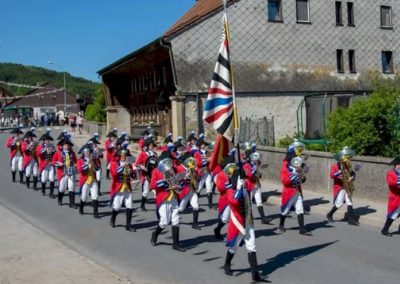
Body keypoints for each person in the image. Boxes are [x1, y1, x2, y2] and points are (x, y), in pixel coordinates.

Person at [223, 163, 266, 282]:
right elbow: (235, 202)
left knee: (252, 247)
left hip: (248, 220)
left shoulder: (246, 186)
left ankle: (255, 274)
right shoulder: (230, 190)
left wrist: (250, 172)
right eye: (238, 178)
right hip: (238, 222)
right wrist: (238, 188)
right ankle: (227, 263)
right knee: (234, 247)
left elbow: (252, 181)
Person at [150, 153, 185, 252]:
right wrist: (163, 181)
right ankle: (155, 234)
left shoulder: (173, 170)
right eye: (167, 161)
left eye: (170, 161)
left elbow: (180, 184)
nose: (170, 163)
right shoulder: (156, 171)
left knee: (176, 220)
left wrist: (177, 186)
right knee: (164, 221)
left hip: (174, 197)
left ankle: (176, 244)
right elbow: (152, 185)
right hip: (163, 199)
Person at [326, 146, 359, 226]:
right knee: (339, 203)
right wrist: (339, 174)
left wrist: (352, 178)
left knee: (349, 202)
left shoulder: (348, 166)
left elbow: (353, 174)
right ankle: (329, 214)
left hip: (347, 185)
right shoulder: (335, 167)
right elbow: (331, 175)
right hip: (340, 187)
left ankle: (350, 219)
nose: (347, 159)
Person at [279, 156, 309, 235]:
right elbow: (285, 181)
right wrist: (294, 175)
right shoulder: (285, 169)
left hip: (297, 192)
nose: (297, 163)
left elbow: (301, 180)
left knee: (300, 209)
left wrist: (302, 177)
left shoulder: (298, 169)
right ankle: (281, 225)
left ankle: (302, 228)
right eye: (295, 161)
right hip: (288, 192)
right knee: (285, 210)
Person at [109, 148, 136, 232]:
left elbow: (132, 176)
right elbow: (114, 174)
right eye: (122, 156)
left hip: (127, 187)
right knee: (117, 207)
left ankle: (128, 225)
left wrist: (133, 170)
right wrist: (122, 166)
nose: (123, 157)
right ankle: (113, 218)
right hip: (118, 188)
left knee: (130, 205)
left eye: (125, 156)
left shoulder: (129, 164)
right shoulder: (114, 163)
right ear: (120, 156)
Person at [243, 149, 271, 224]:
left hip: (257, 184)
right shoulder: (246, 165)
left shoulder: (256, 164)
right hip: (250, 185)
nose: (255, 158)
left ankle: (263, 218)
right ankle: (247, 218)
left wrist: (258, 173)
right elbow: (249, 175)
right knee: (249, 203)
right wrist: (255, 171)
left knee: (259, 201)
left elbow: (258, 174)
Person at [52, 134, 78, 208]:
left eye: (68, 145)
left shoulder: (72, 153)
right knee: (62, 188)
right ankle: (59, 199)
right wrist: (58, 163)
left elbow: (76, 161)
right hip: (62, 172)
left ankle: (72, 203)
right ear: (62, 146)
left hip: (71, 172)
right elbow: (53, 161)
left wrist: (76, 165)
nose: (66, 147)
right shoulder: (58, 153)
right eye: (65, 145)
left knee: (71, 187)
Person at [178, 153, 201, 230]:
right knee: (181, 209)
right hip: (184, 191)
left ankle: (195, 224)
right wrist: (185, 175)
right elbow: (176, 180)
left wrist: (195, 173)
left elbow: (198, 178)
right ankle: (171, 217)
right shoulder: (179, 168)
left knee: (196, 206)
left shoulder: (192, 168)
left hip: (192, 189)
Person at [77, 144, 100, 219]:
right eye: (86, 152)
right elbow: (79, 170)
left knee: (95, 196)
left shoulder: (93, 159)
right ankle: (81, 208)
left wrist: (93, 164)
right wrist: (87, 165)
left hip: (93, 180)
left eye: (89, 152)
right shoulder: (80, 160)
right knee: (84, 197)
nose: (88, 153)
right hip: (85, 181)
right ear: (83, 153)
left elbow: (97, 169)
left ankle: (95, 213)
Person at [136, 137, 158, 211]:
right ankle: (142, 205)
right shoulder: (143, 154)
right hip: (146, 175)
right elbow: (137, 164)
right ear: (148, 145)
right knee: (146, 192)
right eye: (151, 145)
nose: (152, 146)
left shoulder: (155, 154)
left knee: (155, 191)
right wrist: (143, 167)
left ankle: (158, 206)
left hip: (154, 175)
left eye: (152, 145)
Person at [381, 156, 400, 236]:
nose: (399, 166)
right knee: (394, 214)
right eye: (398, 165)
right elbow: (391, 184)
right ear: (395, 165)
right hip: (395, 197)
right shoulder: (390, 173)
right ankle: (385, 229)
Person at [193, 135, 213, 208]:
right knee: (199, 187)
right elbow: (198, 163)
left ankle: (210, 204)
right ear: (199, 145)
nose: (203, 145)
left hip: (208, 171)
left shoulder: (208, 152)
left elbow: (212, 160)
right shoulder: (197, 153)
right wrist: (206, 160)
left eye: (204, 144)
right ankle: (195, 202)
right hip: (201, 172)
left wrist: (211, 160)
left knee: (209, 186)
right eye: (202, 144)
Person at [36, 131, 56, 197]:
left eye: (48, 140)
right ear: (43, 141)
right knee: (44, 179)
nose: (47, 141)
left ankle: (51, 193)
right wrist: (44, 149)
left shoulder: (52, 146)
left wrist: (53, 151)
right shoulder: (40, 147)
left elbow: (55, 155)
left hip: (51, 164)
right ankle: (43, 190)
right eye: (46, 140)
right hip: (44, 165)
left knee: (52, 179)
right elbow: (38, 154)